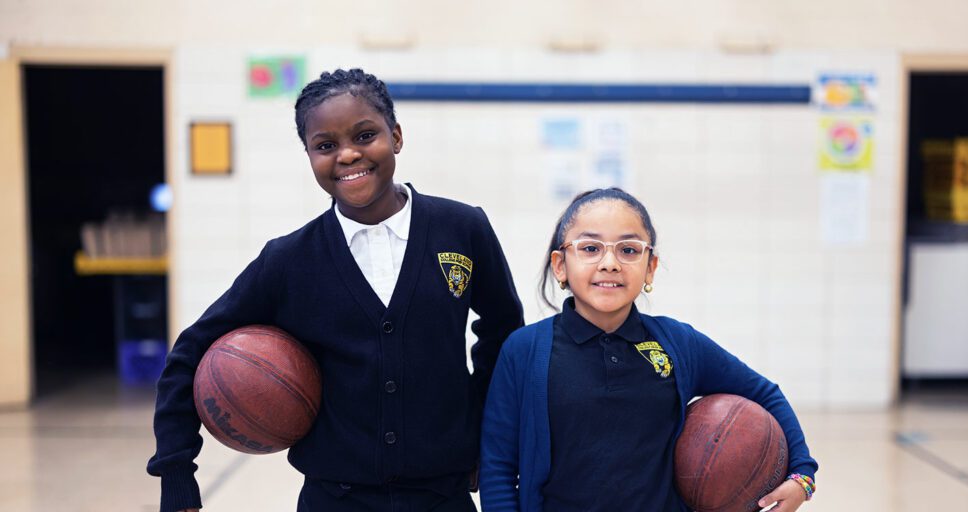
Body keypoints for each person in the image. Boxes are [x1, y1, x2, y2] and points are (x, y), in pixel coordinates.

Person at [147, 68, 524, 512]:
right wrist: (176, 473)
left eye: (365, 136)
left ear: (396, 137)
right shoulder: (288, 260)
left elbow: (504, 334)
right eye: (325, 146)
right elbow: (190, 352)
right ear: (308, 155)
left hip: (443, 495)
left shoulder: (462, 229)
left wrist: (484, 434)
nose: (347, 155)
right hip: (334, 497)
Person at [479, 188, 817, 512]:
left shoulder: (678, 343)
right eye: (590, 248)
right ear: (560, 265)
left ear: (650, 267)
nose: (609, 263)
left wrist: (802, 476)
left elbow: (765, 394)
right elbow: (498, 467)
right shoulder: (524, 350)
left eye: (628, 250)